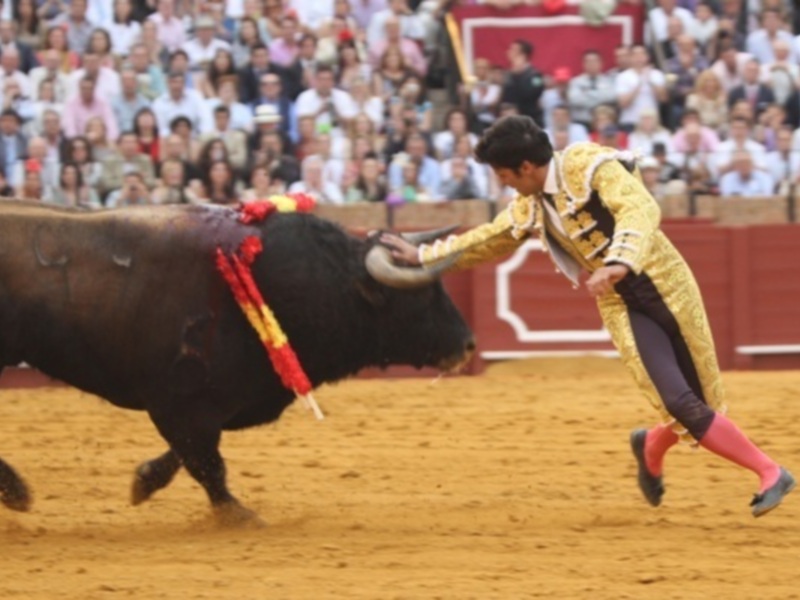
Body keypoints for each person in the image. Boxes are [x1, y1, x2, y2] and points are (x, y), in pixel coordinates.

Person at [379, 115, 795, 518]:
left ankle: (651, 444)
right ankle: (769, 471)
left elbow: (639, 207)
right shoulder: (529, 206)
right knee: (680, 401)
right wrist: (422, 257)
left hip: (667, 286)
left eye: (504, 175)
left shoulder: (587, 164)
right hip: (622, 304)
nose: (502, 183)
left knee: (704, 404)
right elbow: (489, 239)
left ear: (526, 167)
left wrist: (619, 261)